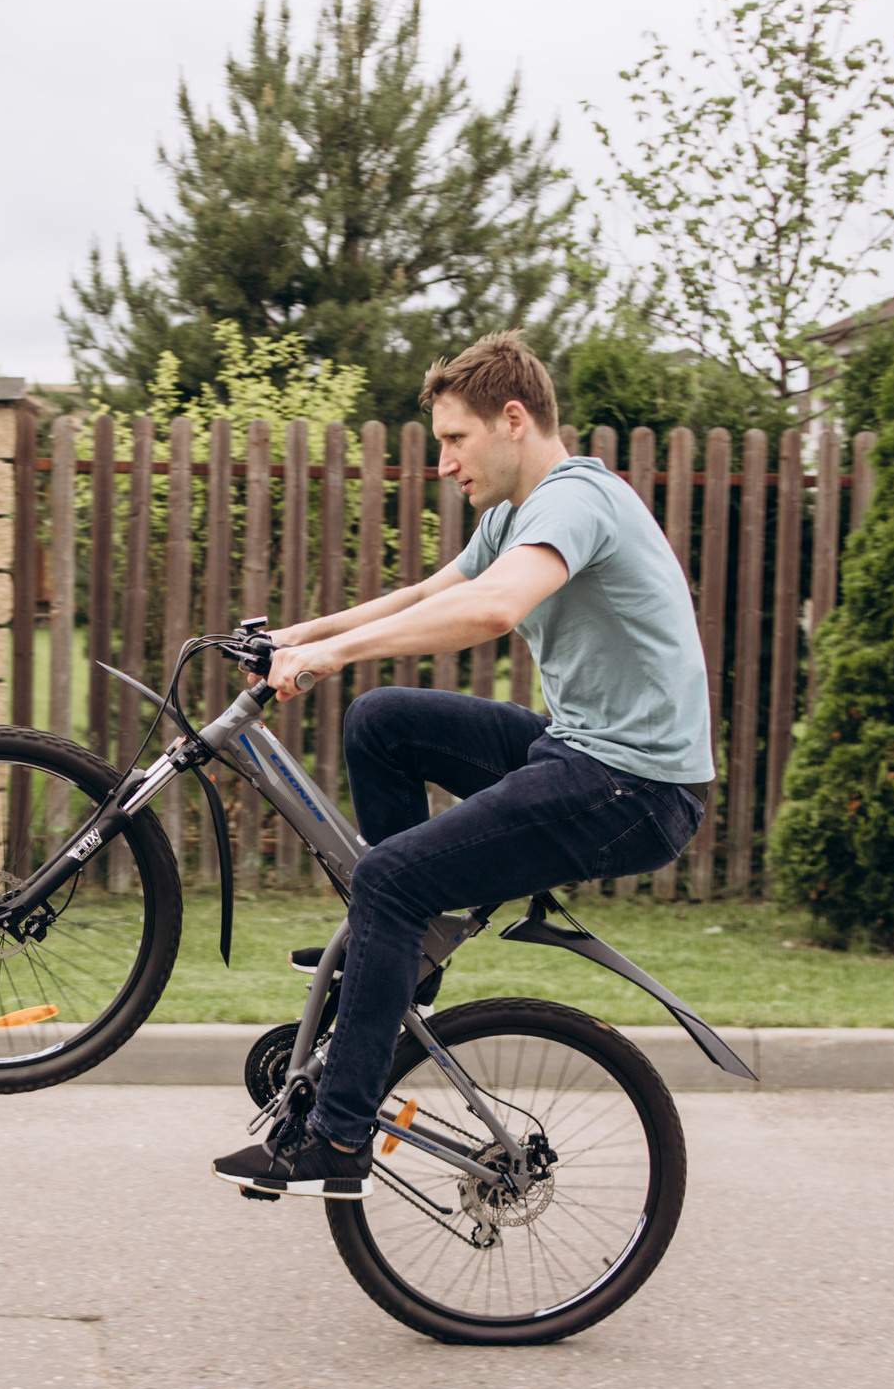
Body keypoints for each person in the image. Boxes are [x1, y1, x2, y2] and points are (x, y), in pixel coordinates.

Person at [213, 331, 714, 1199]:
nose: (443, 462)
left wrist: (329, 658)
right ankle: (410, 956)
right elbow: (423, 596)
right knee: (383, 722)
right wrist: (297, 635)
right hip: (584, 750)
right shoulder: (514, 516)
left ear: (513, 420)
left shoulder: (577, 499)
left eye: (455, 439)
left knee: (392, 877)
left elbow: (491, 610)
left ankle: (335, 1137)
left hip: (638, 788)